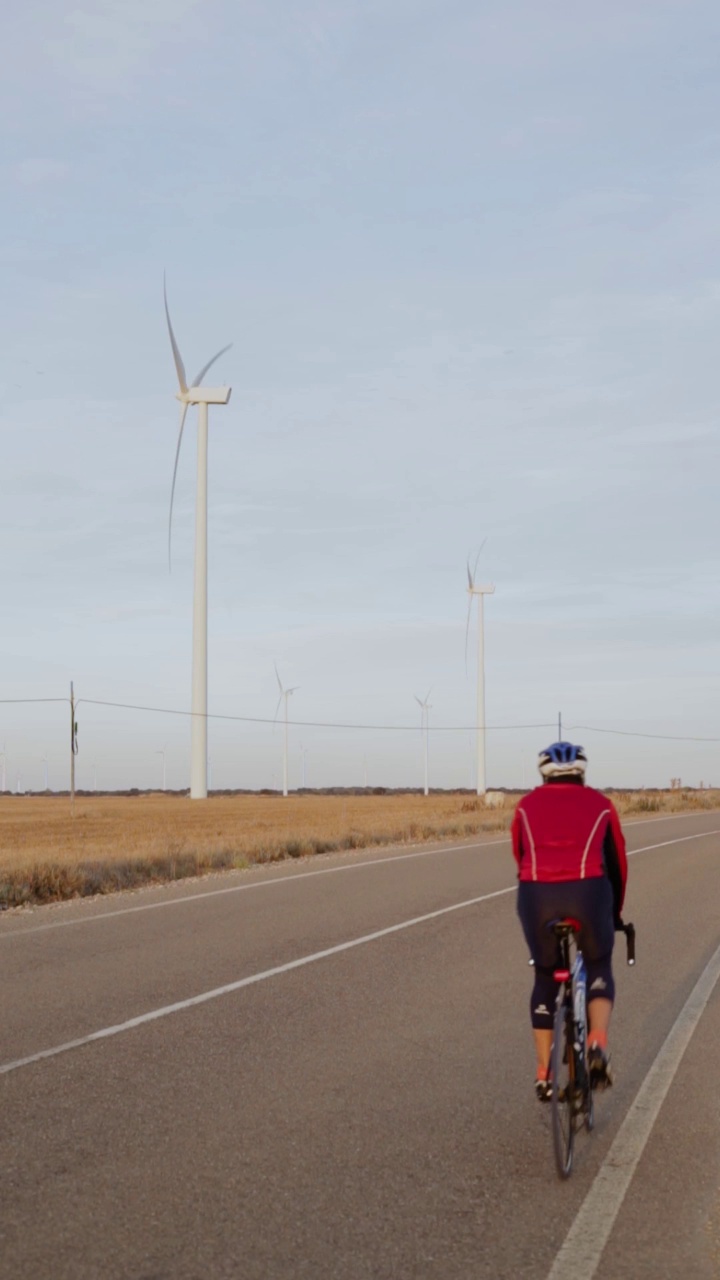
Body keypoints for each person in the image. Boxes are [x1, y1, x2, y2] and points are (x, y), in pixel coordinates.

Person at [511, 741, 627, 1101]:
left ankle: (544, 1072)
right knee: (597, 962)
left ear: (543, 773)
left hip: (536, 897)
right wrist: (614, 913)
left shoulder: (525, 807)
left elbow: (520, 855)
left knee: (546, 975)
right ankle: (596, 1043)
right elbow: (618, 865)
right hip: (589, 893)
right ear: (581, 771)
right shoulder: (601, 806)